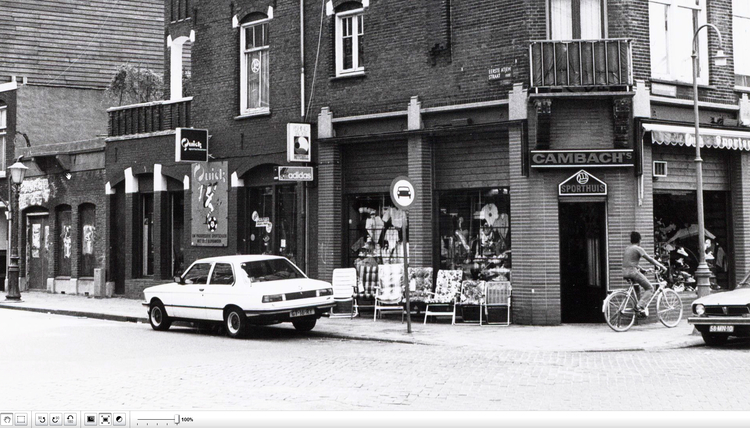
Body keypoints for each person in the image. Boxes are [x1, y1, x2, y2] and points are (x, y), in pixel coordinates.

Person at [623, 231, 666, 317]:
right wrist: (661, 266)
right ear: (639, 240)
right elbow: (650, 259)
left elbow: (631, 262)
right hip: (633, 272)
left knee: (637, 289)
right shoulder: (638, 248)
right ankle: (639, 306)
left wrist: (643, 270)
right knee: (650, 288)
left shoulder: (627, 248)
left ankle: (639, 310)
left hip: (625, 272)